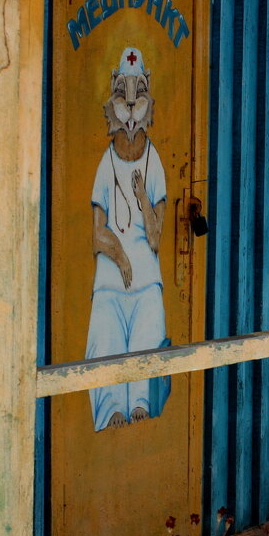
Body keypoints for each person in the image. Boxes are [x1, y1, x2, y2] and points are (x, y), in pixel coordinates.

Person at [86, 46, 169, 431]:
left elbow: (156, 237)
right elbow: (96, 232)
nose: (131, 108)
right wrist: (120, 257)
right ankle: (110, 410)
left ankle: (139, 404)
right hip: (111, 282)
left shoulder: (154, 164)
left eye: (138, 98)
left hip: (147, 282)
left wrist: (141, 198)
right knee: (105, 339)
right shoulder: (106, 162)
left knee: (146, 337)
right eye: (124, 96)